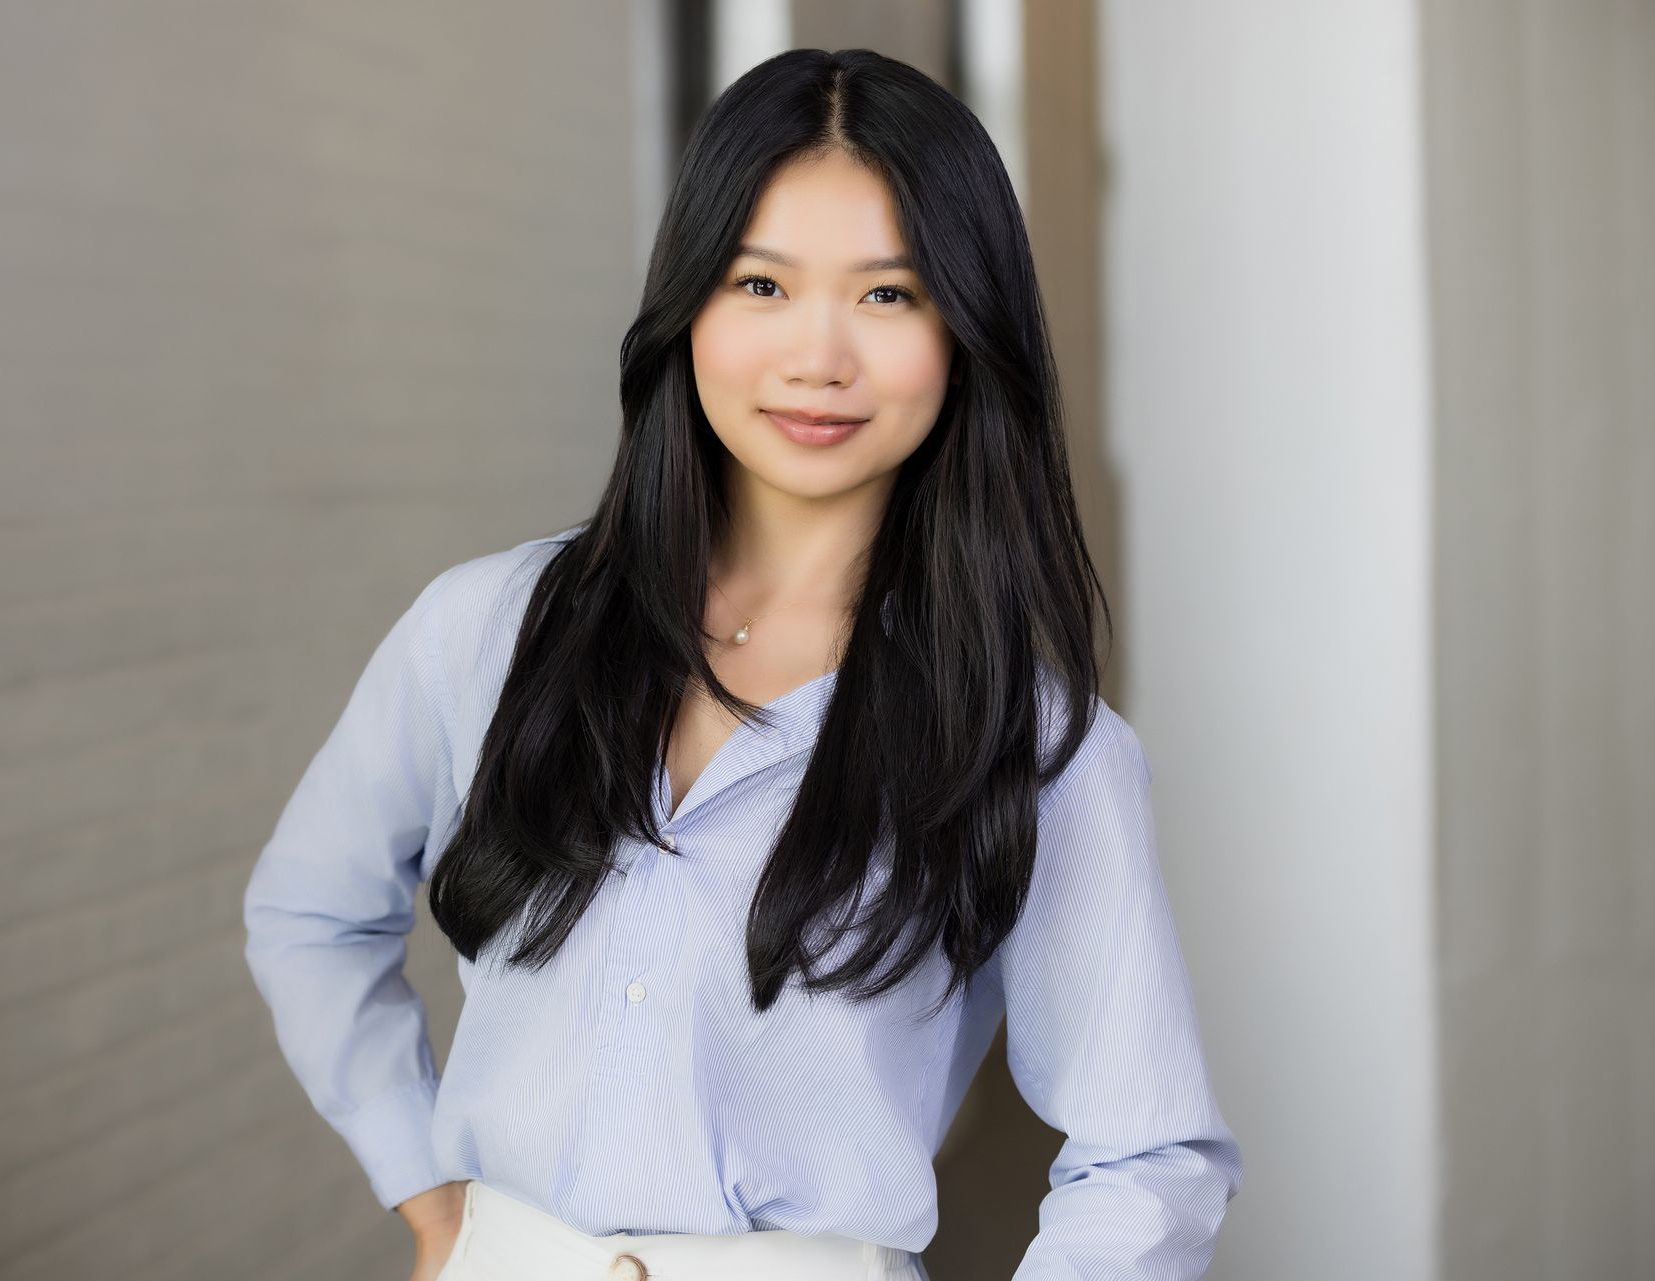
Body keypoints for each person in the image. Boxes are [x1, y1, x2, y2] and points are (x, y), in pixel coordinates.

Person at [242, 46, 1242, 1281]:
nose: (819, 357)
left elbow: (1149, 1155)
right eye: (761, 284)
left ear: (966, 330)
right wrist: (429, 1192)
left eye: (891, 295)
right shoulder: (487, 628)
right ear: (687, 305)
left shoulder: (1031, 741)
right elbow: (310, 914)